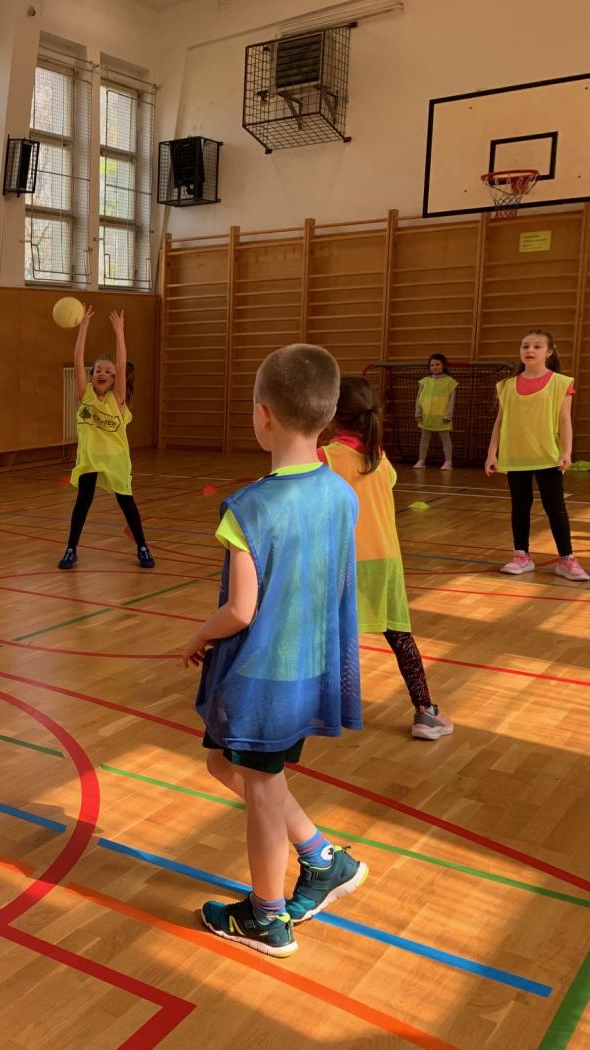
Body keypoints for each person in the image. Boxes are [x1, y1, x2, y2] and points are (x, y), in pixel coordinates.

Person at [183, 343, 366, 958]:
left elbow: (240, 611)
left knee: (260, 789)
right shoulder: (340, 492)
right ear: (328, 415)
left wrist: (199, 635)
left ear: (262, 415)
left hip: (265, 677)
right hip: (309, 668)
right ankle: (322, 858)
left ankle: (266, 917)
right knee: (223, 763)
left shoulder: (249, 508)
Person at [321, 378, 453, 740]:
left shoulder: (326, 458)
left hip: (342, 561)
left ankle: (306, 703)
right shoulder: (379, 458)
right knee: (399, 636)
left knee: (323, 631)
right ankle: (425, 713)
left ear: (331, 414)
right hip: (386, 560)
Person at [484, 329, 586, 581]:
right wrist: (492, 453)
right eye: (525, 346)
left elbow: (565, 420)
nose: (530, 350)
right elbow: (500, 421)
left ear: (549, 352)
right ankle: (521, 556)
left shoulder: (561, 383)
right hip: (516, 457)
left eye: (537, 346)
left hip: (548, 456)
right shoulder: (506, 385)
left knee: (555, 508)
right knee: (520, 507)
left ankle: (566, 559)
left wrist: (566, 451)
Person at [58, 307, 154, 570]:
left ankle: (142, 546)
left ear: (115, 379)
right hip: (89, 459)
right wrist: (83, 328)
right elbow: (78, 361)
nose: (102, 373)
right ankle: (71, 549)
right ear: (92, 375)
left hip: (116, 461)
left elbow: (122, 364)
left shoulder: (118, 400)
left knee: (127, 503)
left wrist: (119, 332)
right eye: (98, 369)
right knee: (82, 503)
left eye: (108, 372)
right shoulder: (85, 396)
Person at [413, 353, 456, 470]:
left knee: (445, 439)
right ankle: (421, 460)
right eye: (432, 365)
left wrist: (448, 415)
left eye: (437, 364)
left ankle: (448, 462)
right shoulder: (424, 381)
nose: (434, 367)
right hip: (426, 416)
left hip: (442, 417)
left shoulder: (450, 382)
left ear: (444, 365)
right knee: (424, 439)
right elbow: (418, 398)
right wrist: (418, 413)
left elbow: (451, 400)